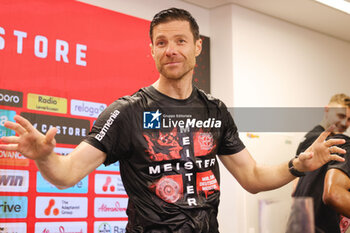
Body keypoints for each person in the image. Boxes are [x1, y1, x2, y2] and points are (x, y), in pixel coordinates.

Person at [0, 8, 346, 233]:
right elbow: (66, 175)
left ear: (197, 47)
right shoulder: (126, 112)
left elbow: (253, 178)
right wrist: (45, 156)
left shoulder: (215, 111)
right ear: (151, 50)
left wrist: (298, 165)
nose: (171, 50)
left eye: (180, 41)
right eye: (161, 42)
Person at [292, 94, 350, 233]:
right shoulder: (339, 142)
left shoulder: (307, 138)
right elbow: (333, 195)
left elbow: (295, 188)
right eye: (341, 116)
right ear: (327, 110)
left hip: (299, 225)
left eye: (349, 119)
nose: (344, 123)